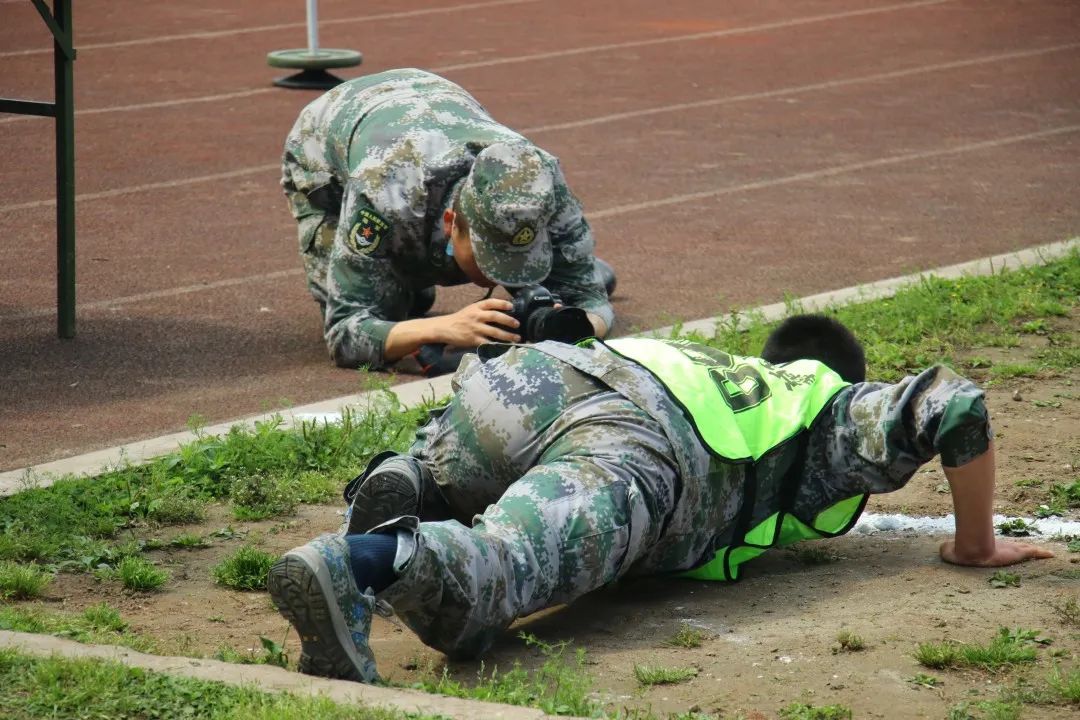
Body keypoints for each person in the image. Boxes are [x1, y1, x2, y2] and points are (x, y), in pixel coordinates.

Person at [267, 314, 1053, 683]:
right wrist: (975, 543)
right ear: (848, 378)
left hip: (519, 383)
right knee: (493, 586)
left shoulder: (715, 362)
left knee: (476, 477)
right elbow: (954, 402)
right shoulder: (826, 403)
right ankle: (367, 558)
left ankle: (419, 481)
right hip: (634, 438)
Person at [280, 68, 615, 375]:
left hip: (437, 108)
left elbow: (591, 299)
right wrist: (443, 328)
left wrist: (566, 327)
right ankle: (406, 278)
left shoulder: (539, 182)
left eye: (516, 258)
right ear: (452, 222)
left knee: (557, 286)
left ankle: (418, 274)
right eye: (490, 259)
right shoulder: (383, 193)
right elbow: (345, 333)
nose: (499, 275)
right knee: (394, 310)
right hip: (325, 144)